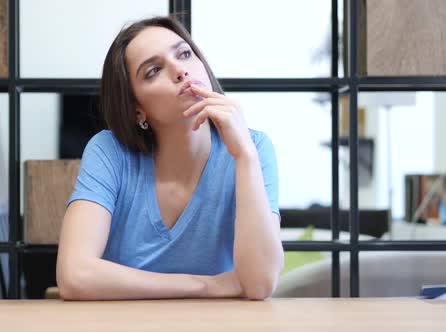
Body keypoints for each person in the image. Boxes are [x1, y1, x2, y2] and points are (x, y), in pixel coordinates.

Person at [56, 16, 283, 301]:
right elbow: (74, 275)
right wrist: (207, 285)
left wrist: (245, 156)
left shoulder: (255, 148)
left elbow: (260, 284)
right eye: (153, 71)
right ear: (137, 109)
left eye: (184, 54)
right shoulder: (109, 152)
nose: (179, 71)